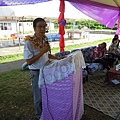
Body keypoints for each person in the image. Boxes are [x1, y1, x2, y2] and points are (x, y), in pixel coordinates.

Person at [24, 18, 65, 120]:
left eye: (44, 26)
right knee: (38, 96)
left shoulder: (45, 39)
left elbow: (47, 54)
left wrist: (57, 58)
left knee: (46, 93)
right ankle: (39, 115)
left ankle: (47, 112)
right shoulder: (29, 42)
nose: (42, 29)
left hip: (47, 70)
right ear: (34, 28)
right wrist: (42, 52)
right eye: (40, 26)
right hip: (36, 72)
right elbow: (28, 61)